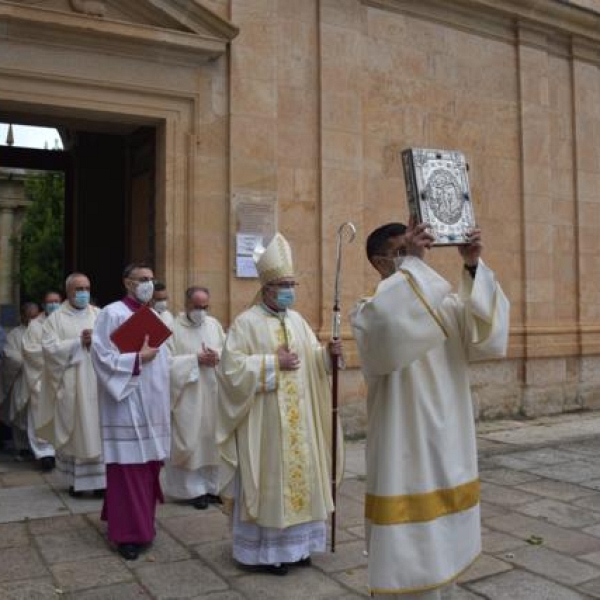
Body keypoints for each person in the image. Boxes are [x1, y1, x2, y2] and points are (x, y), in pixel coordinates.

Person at [350, 221, 510, 599]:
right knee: (407, 563)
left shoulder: (447, 305)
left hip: (449, 440)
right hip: (403, 445)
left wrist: (472, 266)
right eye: (401, 252)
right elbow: (392, 323)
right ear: (379, 262)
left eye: (414, 250)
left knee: (447, 558)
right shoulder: (370, 311)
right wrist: (414, 265)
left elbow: (486, 338)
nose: (413, 259)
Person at [217, 232, 344, 576]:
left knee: (302, 480)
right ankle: (268, 554)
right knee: (272, 483)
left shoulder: (298, 320)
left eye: (293, 284)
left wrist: (326, 356)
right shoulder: (245, 323)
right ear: (267, 288)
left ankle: (299, 548)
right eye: (284, 284)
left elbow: (311, 361)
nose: (290, 290)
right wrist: (272, 363)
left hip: (299, 423)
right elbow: (230, 370)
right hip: (266, 423)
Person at [91, 263, 170, 561]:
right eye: (142, 279)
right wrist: (138, 359)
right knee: (127, 470)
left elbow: (165, 363)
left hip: (152, 404)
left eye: (151, 279)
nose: (148, 284)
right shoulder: (112, 313)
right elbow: (100, 356)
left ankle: (142, 525)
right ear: (127, 283)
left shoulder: (155, 316)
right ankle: (127, 536)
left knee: (148, 467)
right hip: (124, 405)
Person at [41, 273, 105, 496]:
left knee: (98, 430)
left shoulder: (100, 315)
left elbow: (114, 343)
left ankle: (101, 484)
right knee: (77, 429)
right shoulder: (55, 319)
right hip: (72, 386)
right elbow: (49, 350)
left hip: (98, 384)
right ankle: (76, 483)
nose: (83, 293)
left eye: (86, 288)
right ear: (68, 292)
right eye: (78, 289)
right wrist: (78, 342)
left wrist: (96, 342)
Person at [164, 286, 225, 509]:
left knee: (212, 439)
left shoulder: (214, 325)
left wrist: (217, 355)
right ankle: (192, 491)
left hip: (212, 391)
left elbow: (228, 350)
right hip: (187, 396)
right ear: (186, 304)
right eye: (197, 307)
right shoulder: (171, 328)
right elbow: (165, 363)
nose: (201, 311)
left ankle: (212, 487)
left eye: (205, 307)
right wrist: (194, 360)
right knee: (190, 442)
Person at [22, 291, 62, 472]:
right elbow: (30, 350)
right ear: (43, 305)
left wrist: (58, 352)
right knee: (40, 414)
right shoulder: (35, 325)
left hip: (64, 378)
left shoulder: (65, 320)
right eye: (49, 302)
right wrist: (53, 352)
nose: (53, 304)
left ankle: (61, 452)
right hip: (41, 378)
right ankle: (45, 453)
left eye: (56, 301)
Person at [1, 302, 40, 458]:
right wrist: (27, 362)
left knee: (38, 417)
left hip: (40, 381)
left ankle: (41, 449)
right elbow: (9, 355)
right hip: (22, 380)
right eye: (29, 316)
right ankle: (22, 447)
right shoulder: (14, 335)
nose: (33, 320)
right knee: (20, 414)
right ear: (22, 316)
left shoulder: (44, 331)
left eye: (35, 316)